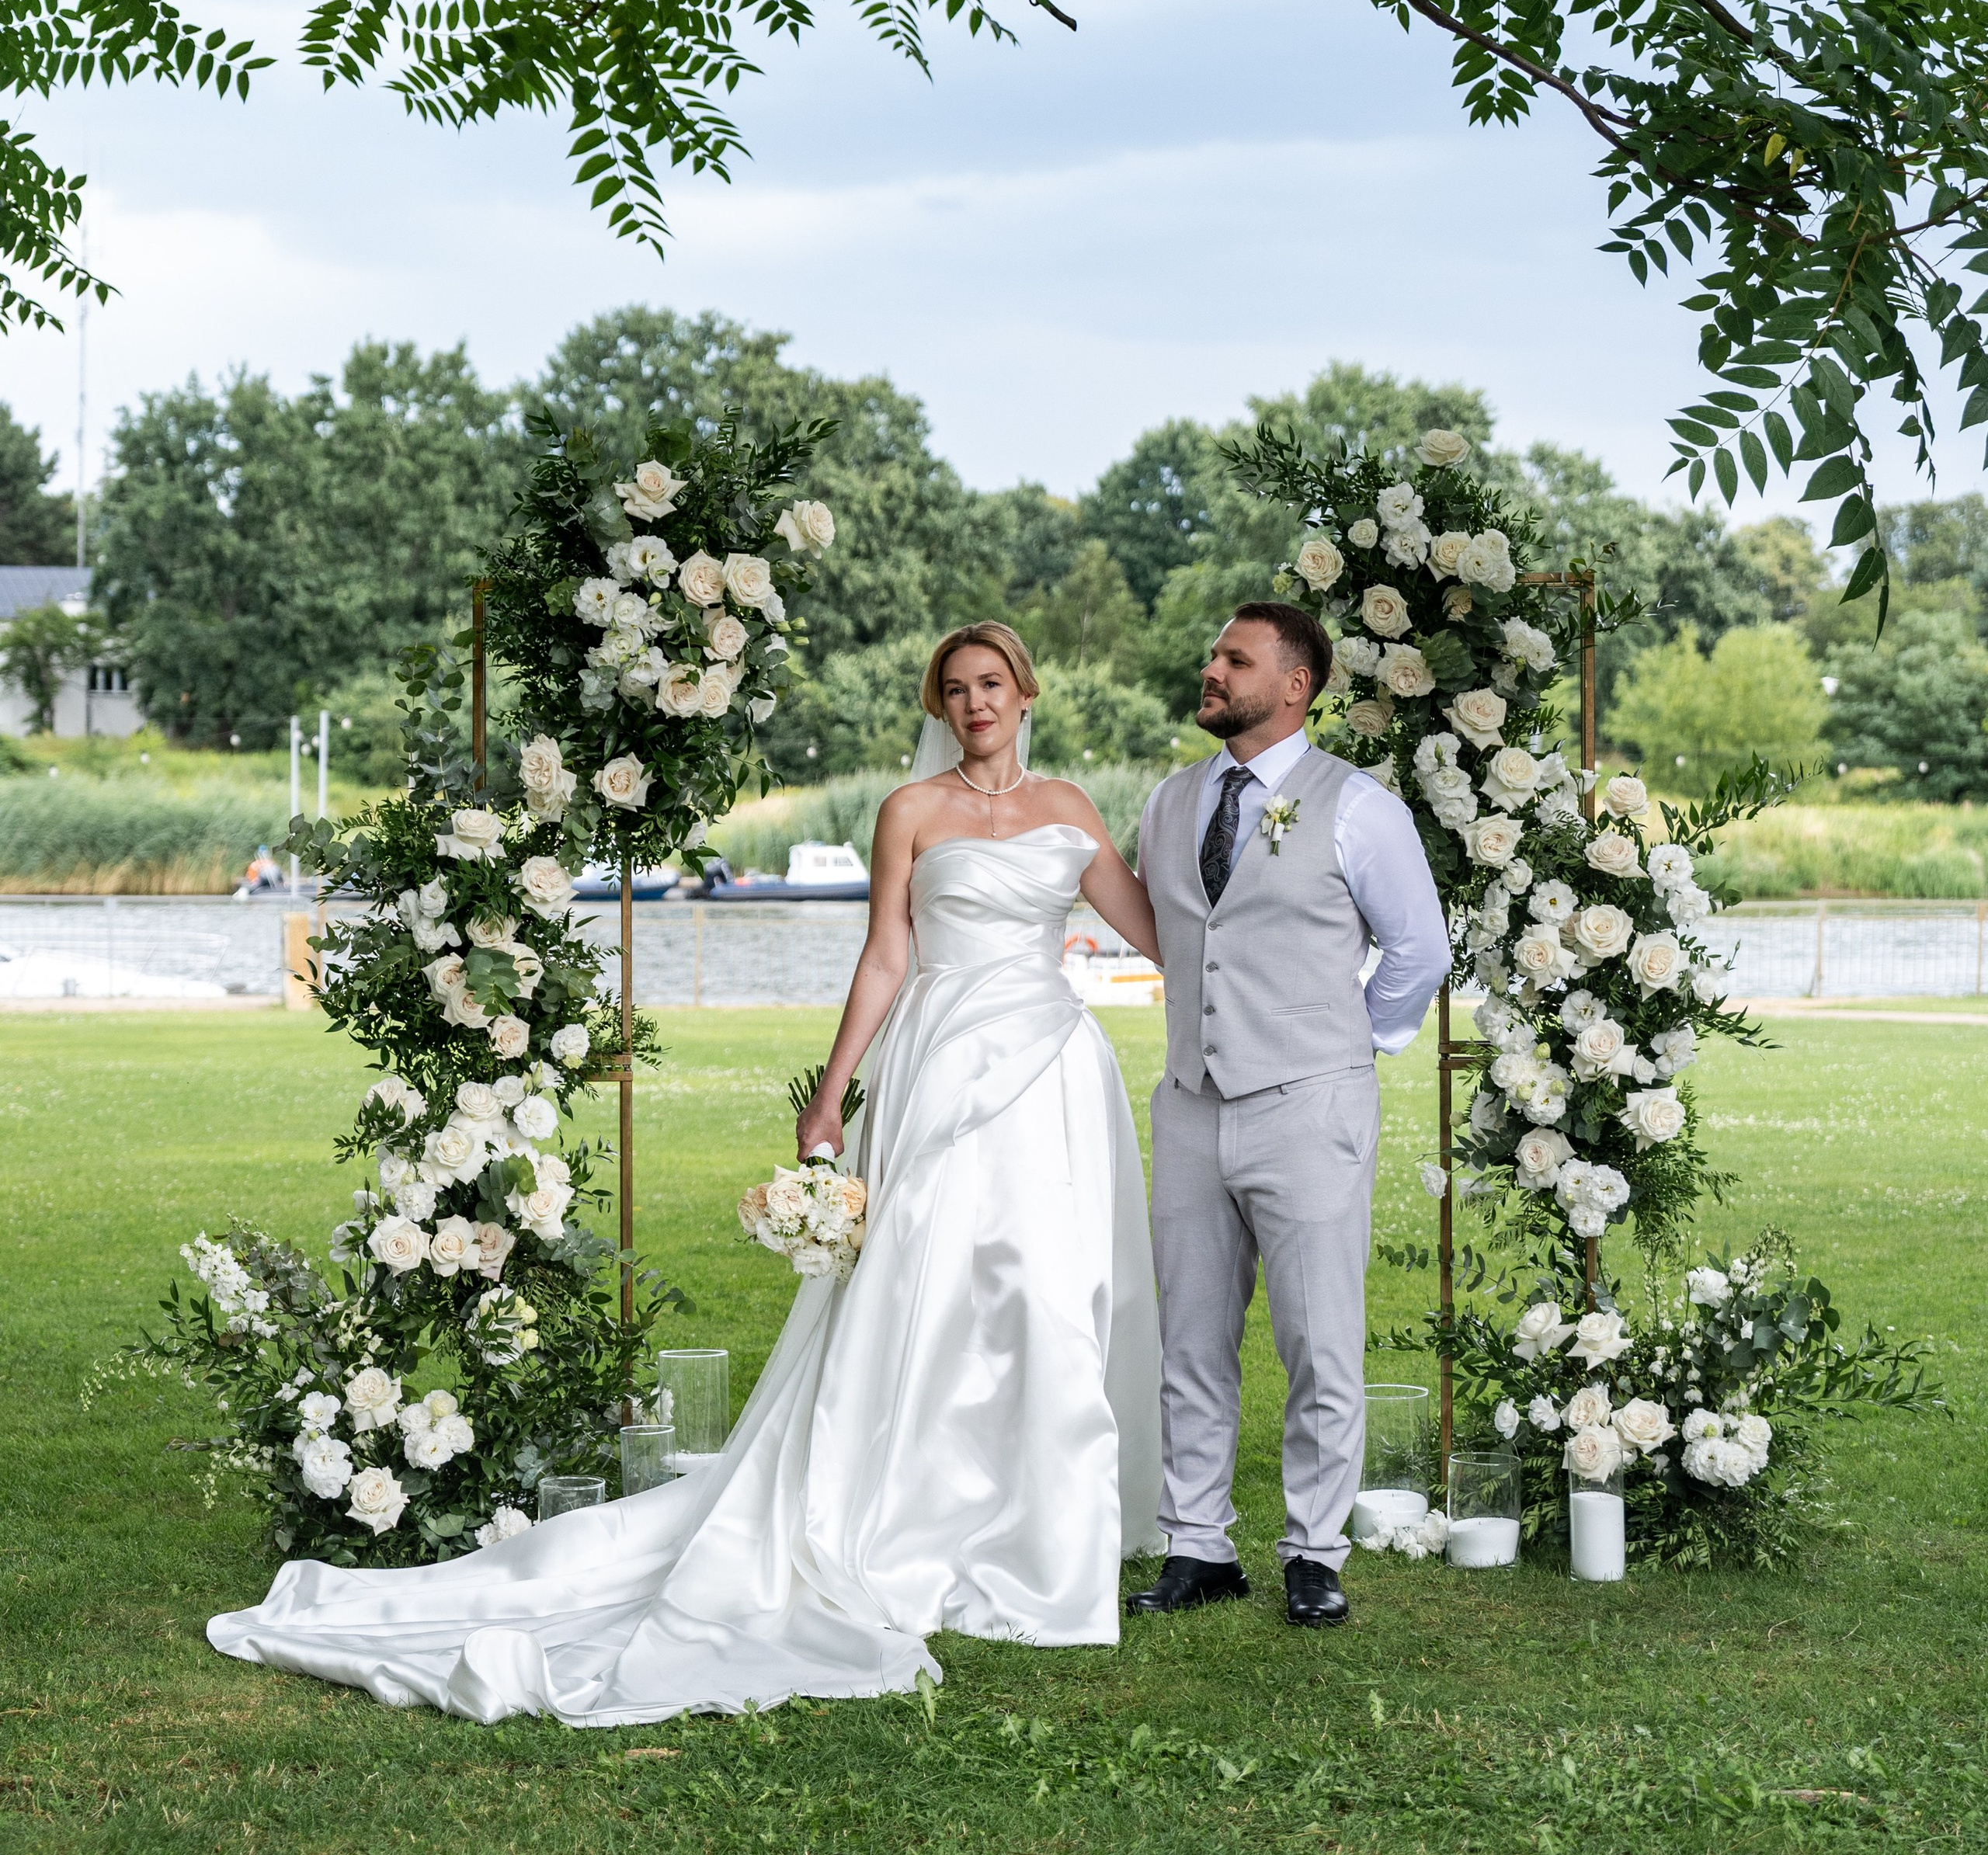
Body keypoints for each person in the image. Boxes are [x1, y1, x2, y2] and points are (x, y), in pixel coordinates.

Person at [208, 624, 1165, 1725]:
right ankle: (917, 1523)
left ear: (1025, 690)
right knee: (930, 1294)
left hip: (1049, 1071)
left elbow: (1149, 930)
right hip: (940, 1070)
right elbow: (887, 957)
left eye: (990, 684)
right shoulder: (912, 811)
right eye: (955, 690)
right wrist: (831, 1094)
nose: (974, 703)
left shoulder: (1076, 810)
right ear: (939, 707)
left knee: (1050, 1293)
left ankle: (1043, 1535)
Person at [1128, 603, 1450, 1631]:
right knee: (1191, 1338)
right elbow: (1182, 938)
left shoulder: (1358, 807)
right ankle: (1196, 1546)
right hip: (1189, 1106)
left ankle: (1314, 1551)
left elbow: (1421, 951)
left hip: (1311, 1107)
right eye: (1213, 652)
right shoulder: (1171, 801)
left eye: (1236, 658)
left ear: (1296, 684)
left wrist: (1352, 1046)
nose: (1211, 668)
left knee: (1318, 1340)